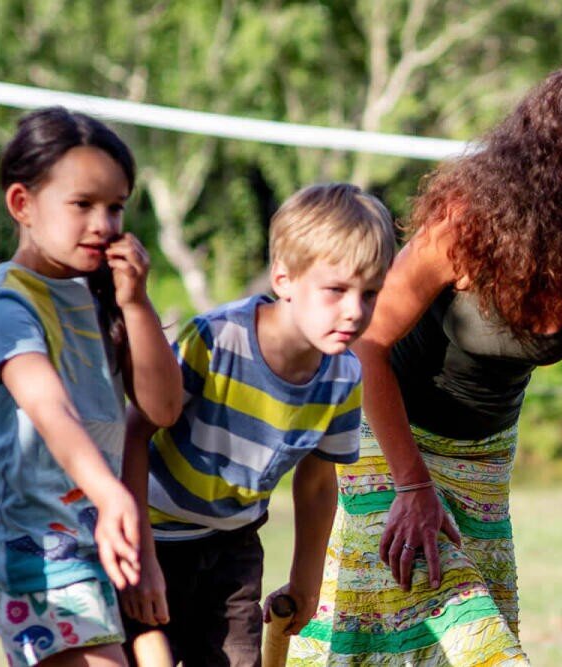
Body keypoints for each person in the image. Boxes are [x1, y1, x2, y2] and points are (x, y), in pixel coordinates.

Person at [291, 61, 562, 666]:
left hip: (482, 458)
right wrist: (411, 483)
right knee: (479, 645)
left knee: (453, 644)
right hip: (384, 432)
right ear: (553, 153)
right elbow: (367, 344)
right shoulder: (469, 223)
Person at [119, 183, 397, 665]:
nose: (355, 310)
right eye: (336, 290)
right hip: (155, 537)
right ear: (284, 280)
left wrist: (306, 582)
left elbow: (315, 483)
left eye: (370, 293)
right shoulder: (216, 339)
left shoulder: (345, 375)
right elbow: (134, 432)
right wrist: (139, 559)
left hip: (234, 547)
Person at [0, 107, 183, 666]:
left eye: (115, 207)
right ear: (22, 205)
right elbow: (48, 407)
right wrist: (110, 496)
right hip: (27, 546)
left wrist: (135, 302)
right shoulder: (6, 303)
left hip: (88, 540)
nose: (104, 224)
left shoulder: (100, 294)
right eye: (82, 204)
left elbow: (162, 406)